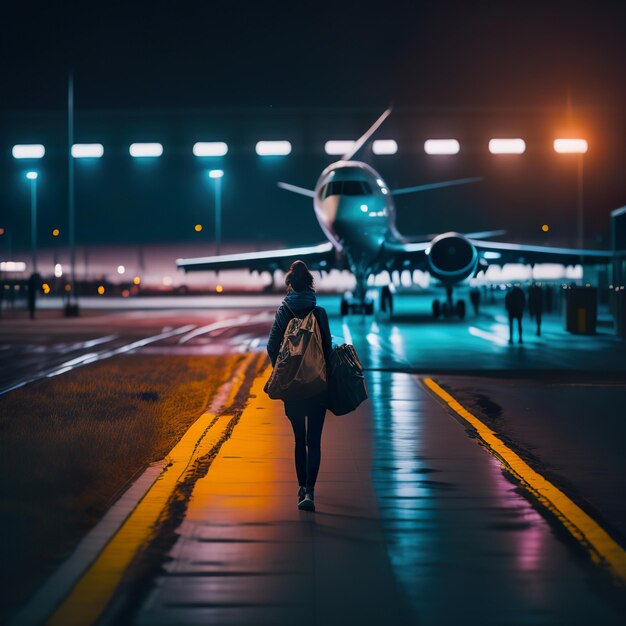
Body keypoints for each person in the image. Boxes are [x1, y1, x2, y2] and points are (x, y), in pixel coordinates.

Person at [267, 260, 332, 511]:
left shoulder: (283, 312)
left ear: (290, 285)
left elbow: (272, 346)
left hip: (292, 388)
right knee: (314, 441)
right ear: (311, 285)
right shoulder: (319, 313)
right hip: (317, 386)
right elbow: (327, 349)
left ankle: (299, 488)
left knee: (298, 440)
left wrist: (282, 373)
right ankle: (310, 492)